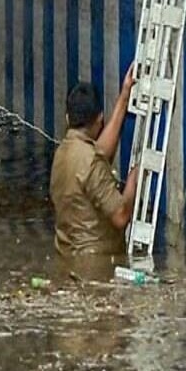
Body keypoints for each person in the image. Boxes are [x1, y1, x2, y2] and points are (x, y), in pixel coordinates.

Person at [50, 67, 140, 256]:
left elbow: (98, 154)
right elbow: (121, 216)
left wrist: (124, 97)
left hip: (67, 256)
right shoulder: (90, 162)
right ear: (99, 119)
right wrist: (134, 181)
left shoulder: (63, 152)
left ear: (67, 118)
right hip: (95, 263)